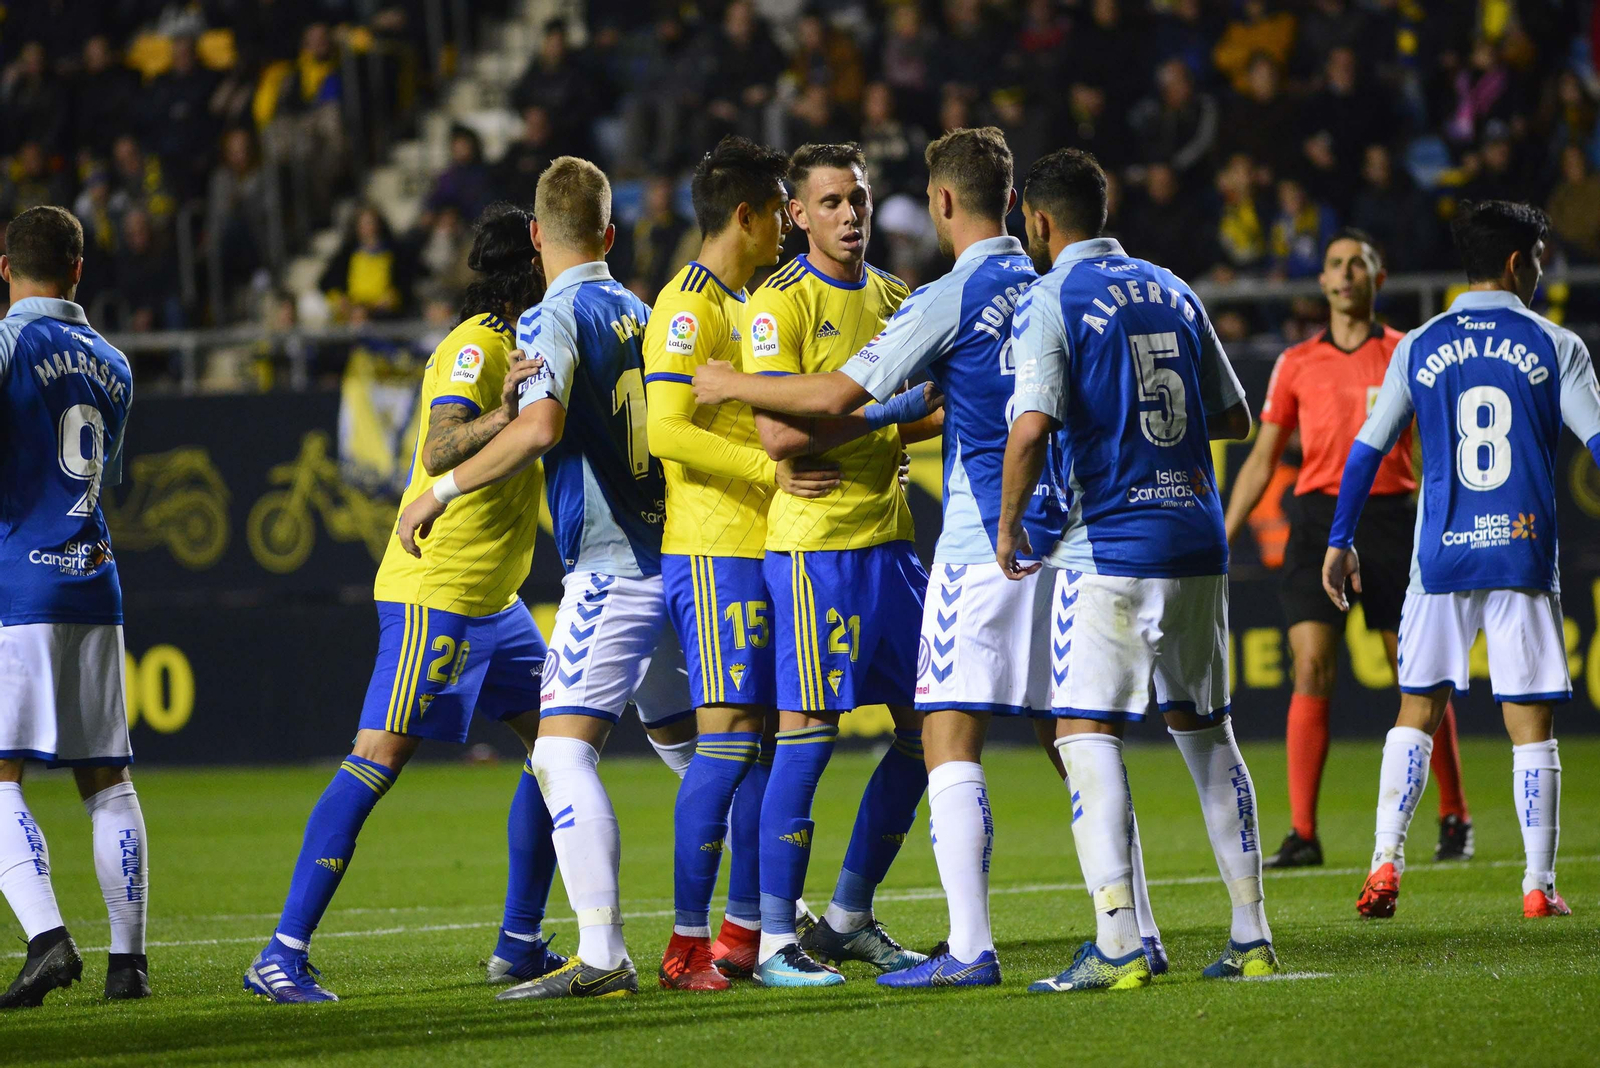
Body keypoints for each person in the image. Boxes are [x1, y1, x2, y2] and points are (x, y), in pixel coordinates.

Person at [244, 204, 557, 1003]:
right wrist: (507, 410)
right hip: (438, 591)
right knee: (378, 758)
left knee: (561, 748)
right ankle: (281, 951)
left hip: (497, 599)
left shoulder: (526, 342)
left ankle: (519, 944)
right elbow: (439, 446)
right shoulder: (476, 345)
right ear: (529, 263)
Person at [398, 157, 694, 1001]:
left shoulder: (549, 315)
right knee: (697, 757)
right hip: (675, 562)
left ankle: (602, 955)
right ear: (610, 232)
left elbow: (539, 429)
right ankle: (758, 928)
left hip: (611, 570)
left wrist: (440, 489)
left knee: (561, 756)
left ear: (537, 235)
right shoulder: (645, 312)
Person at [997, 148, 1276, 992]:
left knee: (1085, 733)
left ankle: (1119, 939)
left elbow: (1031, 427)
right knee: (1208, 733)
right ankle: (1252, 936)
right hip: (1195, 539)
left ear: (1040, 222)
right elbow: (1236, 415)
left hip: (1108, 544)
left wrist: (1010, 525)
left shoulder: (1053, 296)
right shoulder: (1172, 287)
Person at [689, 143, 938, 987]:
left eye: (858, 198)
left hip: (893, 545)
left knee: (926, 732)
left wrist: (881, 413)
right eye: (830, 202)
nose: (850, 215)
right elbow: (780, 437)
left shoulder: (899, 298)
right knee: (806, 739)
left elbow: (927, 408)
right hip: (814, 552)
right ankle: (769, 944)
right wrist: (880, 413)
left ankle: (846, 918)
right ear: (796, 214)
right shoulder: (777, 305)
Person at [1324, 201, 1600, 920]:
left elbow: (1366, 450)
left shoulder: (1418, 343)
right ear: (1517, 263)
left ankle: (1385, 863)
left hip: (1441, 555)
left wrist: (1339, 538)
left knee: (1416, 708)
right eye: (1538, 257)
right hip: (1521, 552)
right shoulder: (1555, 344)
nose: (1540, 269)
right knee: (1529, 724)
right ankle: (1538, 886)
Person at [643, 136, 842, 990]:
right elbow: (667, 431)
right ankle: (686, 947)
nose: (791, 234)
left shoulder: (746, 298)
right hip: (712, 549)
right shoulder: (686, 308)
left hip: (757, 548)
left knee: (758, 750)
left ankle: (745, 937)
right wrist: (771, 468)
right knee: (725, 746)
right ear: (747, 215)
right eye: (779, 216)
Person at [1223, 230, 1475, 869]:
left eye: (1355, 263)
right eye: (1333, 264)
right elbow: (1261, 459)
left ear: (1377, 277)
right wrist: (1221, 535)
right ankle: (1303, 834)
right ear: (1325, 280)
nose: (1342, 274)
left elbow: (1442, 449)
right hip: (1317, 519)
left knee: (1411, 672)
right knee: (1310, 665)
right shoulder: (1297, 362)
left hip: (1391, 520)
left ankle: (1454, 815)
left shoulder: (1409, 353)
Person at [0, 205, 147, 1006]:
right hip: (93, 575)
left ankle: (49, 939)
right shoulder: (115, 362)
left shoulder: (9, 342)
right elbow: (101, 478)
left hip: (17, 583)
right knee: (107, 779)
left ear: (4, 268)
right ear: (78, 269)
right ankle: (130, 963)